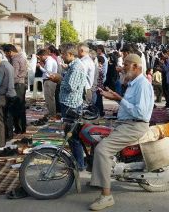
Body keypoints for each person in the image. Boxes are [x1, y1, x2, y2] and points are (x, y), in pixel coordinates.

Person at [89, 54, 154, 211]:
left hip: (134, 126)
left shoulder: (143, 85)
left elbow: (141, 113)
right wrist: (116, 98)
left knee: (102, 150)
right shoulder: (133, 83)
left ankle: (106, 196)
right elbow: (129, 105)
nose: (122, 67)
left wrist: (119, 97)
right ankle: (99, 180)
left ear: (136, 67)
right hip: (126, 123)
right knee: (95, 138)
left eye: (126, 65)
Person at [59, 44, 87, 170]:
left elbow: (71, 87)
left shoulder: (76, 67)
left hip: (72, 106)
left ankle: (79, 164)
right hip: (69, 104)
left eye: (63, 54)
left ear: (70, 54)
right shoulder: (73, 66)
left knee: (72, 136)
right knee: (71, 136)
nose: (62, 56)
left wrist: (60, 79)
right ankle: (77, 162)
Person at [3, 44, 28, 134]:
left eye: (6, 53)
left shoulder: (15, 59)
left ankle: (19, 129)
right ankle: (22, 128)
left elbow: (14, 74)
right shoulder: (21, 57)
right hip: (21, 84)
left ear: (10, 52)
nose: (6, 55)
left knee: (17, 108)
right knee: (20, 107)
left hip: (18, 84)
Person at [37, 49, 58, 118]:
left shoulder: (49, 61)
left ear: (44, 56)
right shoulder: (49, 60)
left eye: (40, 57)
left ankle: (52, 114)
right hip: (50, 81)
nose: (39, 58)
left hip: (49, 81)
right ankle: (51, 113)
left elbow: (48, 74)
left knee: (50, 99)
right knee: (49, 99)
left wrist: (40, 67)